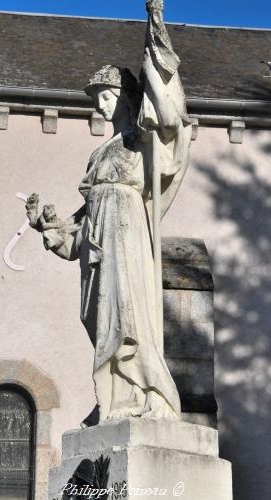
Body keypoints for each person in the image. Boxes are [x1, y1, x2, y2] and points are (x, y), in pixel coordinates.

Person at [26, 0, 191, 421]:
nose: (98, 106)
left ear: (123, 97)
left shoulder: (141, 139)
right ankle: (115, 398)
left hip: (127, 233)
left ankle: (144, 392)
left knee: (129, 316)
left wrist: (155, 23)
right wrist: (52, 227)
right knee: (102, 317)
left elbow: (170, 124)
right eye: (96, 99)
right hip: (101, 240)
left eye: (104, 97)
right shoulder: (100, 154)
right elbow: (80, 226)